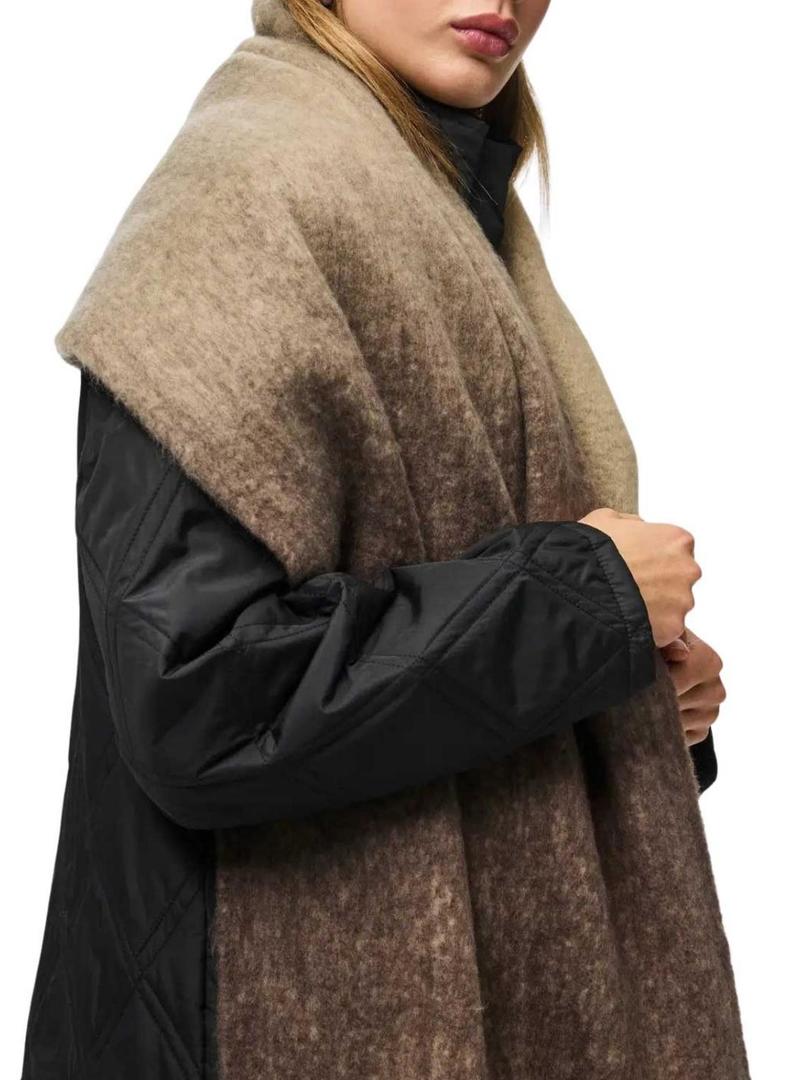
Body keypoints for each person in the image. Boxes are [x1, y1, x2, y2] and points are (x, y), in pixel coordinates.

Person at [20, 2, 739, 1078]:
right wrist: (582, 603)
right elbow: (200, 701)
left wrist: (626, 687)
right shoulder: (249, 199)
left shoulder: (434, 193)